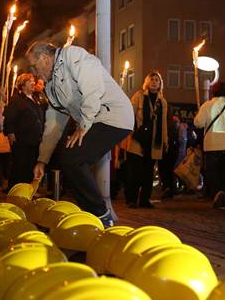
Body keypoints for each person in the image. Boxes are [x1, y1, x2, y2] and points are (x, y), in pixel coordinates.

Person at [26, 41, 134, 227]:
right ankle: (93, 215)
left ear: (44, 58)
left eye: (34, 67)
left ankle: (101, 215)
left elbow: (93, 87)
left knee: (73, 158)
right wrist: (42, 159)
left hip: (114, 116)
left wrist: (83, 125)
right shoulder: (51, 87)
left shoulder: (72, 55)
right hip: (94, 120)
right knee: (67, 159)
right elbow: (53, 124)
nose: (35, 73)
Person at [125, 71, 169, 208]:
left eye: (157, 80)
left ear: (160, 83)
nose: (155, 82)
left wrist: (165, 140)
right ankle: (131, 199)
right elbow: (130, 115)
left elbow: (164, 124)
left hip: (154, 142)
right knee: (135, 172)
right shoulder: (138, 96)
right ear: (147, 82)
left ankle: (145, 199)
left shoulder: (162, 102)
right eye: (152, 79)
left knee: (148, 173)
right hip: (138, 140)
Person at [4, 73, 44, 187]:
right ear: (22, 85)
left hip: (34, 139)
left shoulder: (36, 98)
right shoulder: (16, 99)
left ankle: (28, 190)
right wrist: (10, 133)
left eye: (33, 80)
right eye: (29, 81)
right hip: (21, 139)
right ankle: (15, 190)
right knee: (20, 166)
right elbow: (10, 117)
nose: (33, 83)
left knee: (31, 165)